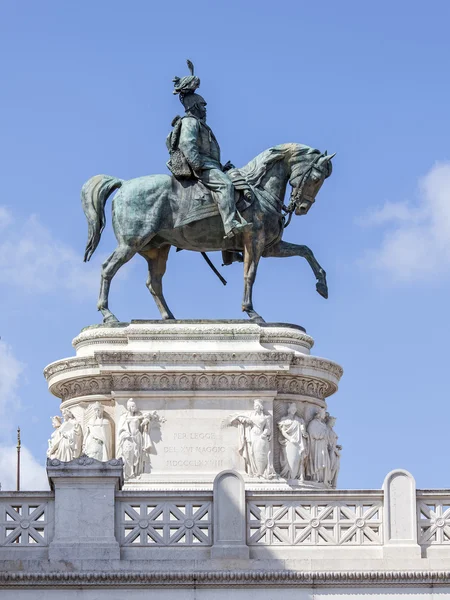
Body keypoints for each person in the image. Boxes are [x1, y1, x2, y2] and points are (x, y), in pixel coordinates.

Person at [167, 60, 252, 239]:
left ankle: (229, 249)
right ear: (195, 105)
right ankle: (230, 225)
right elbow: (187, 144)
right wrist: (198, 165)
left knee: (238, 182)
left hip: (212, 164)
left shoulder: (201, 124)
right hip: (202, 166)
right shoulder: (190, 122)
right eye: (203, 105)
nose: (206, 109)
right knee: (226, 185)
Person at [228, 399, 275, 478]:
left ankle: (261, 472)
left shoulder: (267, 417)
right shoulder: (251, 415)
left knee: (261, 453)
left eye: (257, 406)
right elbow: (240, 418)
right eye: (254, 406)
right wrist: (245, 420)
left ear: (260, 407)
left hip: (261, 437)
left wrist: (264, 434)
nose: (255, 407)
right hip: (252, 436)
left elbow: (268, 428)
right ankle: (255, 471)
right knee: (252, 452)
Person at [117, 398, 152, 480]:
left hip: (137, 437)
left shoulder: (139, 416)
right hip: (128, 438)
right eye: (132, 406)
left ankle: (136, 472)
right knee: (128, 455)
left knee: (137, 455)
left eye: (134, 406)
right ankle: (128, 473)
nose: (134, 407)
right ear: (128, 407)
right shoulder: (124, 417)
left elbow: (146, 420)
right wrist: (125, 434)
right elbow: (120, 429)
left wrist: (147, 421)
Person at [277, 403, 309, 481]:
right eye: (292, 408)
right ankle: (289, 477)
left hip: (298, 443)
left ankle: (297, 477)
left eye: (295, 408)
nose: (294, 409)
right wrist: (290, 438)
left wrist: (304, 432)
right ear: (289, 409)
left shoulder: (299, 420)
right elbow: (282, 431)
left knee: (298, 461)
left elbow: (304, 434)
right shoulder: (284, 420)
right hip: (289, 443)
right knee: (290, 460)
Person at [307, 408, 330, 485]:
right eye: (323, 413)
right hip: (316, 446)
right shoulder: (313, 423)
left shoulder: (323, 424)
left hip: (323, 445)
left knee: (323, 461)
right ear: (319, 414)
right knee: (318, 461)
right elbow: (312, 433)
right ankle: (315, 477)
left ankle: (322, 479)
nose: (324, 415)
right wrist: (321, 435)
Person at [325, 413, 341, 488]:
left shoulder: (330, 429)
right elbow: (327, 441)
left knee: (335, 467)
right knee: (331, 466)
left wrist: (337, 446)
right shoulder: (326, 429)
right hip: (330, 451)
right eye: (333, 422)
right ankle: (328, 481)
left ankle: (331, 483)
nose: (333, 424)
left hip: (334, 452)